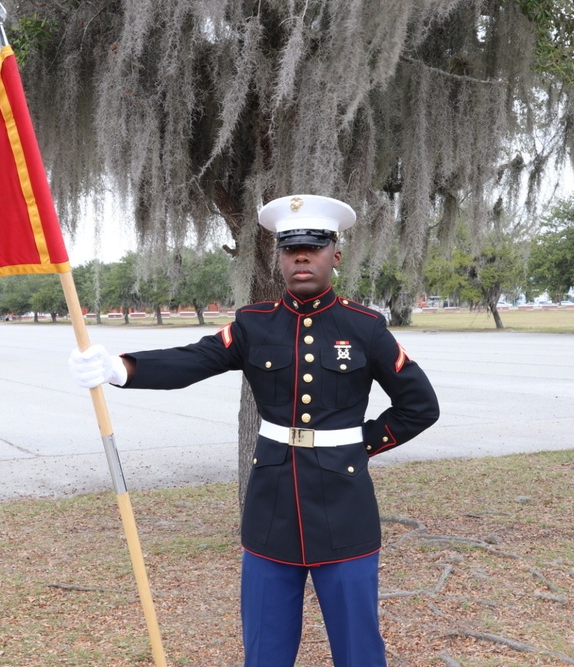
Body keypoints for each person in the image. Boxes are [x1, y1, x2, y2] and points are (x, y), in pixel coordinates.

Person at [69, 194, 440, 667]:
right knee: (265, 648)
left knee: (359, 650)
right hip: (271, 509)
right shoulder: (253, 324)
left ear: (335, 255)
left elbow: (419, 406)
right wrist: (121, 367)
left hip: (346, 509)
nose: (301, 256)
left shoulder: (364, 327)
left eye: (314, 246)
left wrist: (359, 446)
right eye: (290, 248)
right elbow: (194, 359)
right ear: (279, 257)